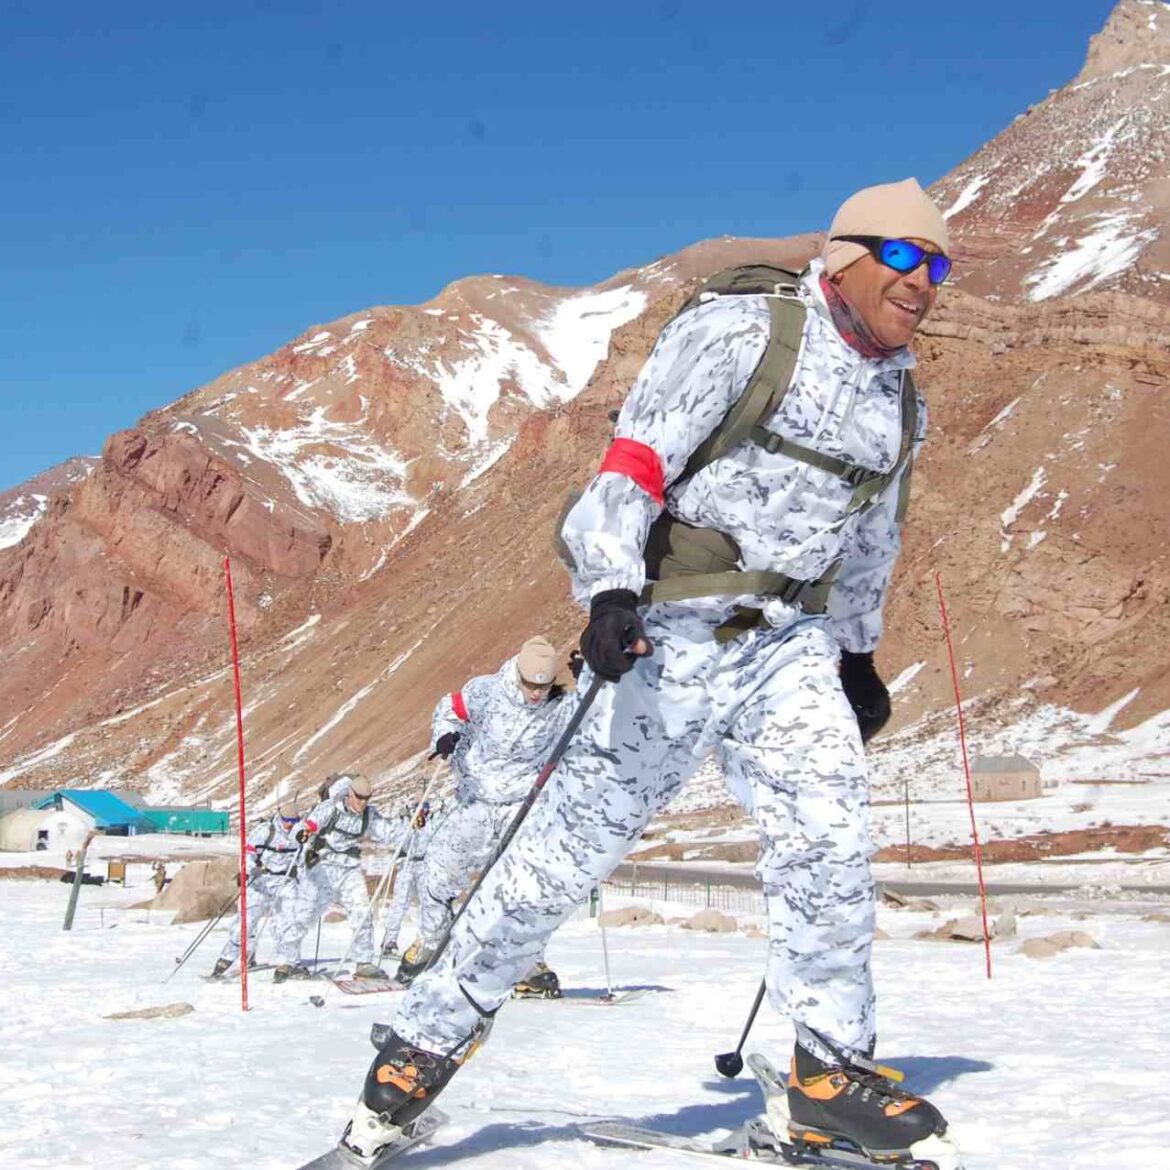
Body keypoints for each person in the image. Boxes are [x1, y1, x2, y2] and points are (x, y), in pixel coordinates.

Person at [332, 179, 962, 1168]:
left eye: (941, 265)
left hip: (790, 646)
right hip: (675, 630)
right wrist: (612, 591)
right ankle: (420, 1048)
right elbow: (636, 462)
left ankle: (828, 1078)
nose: (926, 282)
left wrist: (859, 651)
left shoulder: (898, 394)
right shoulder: (746, 332)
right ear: (847, 255)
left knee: (832, 847)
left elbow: (870, 534)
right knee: (560, 860)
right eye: (909, 258)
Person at [392, 635, 575, 1000]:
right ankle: (431, 944)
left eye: (544, 686)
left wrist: (592, 681)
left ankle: (528, 963)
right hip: (475, 801)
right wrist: (445, 735)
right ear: (518, 675)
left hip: (522, 808)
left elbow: (596, 722)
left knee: (524, 888)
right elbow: (451, 708)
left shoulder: (562, 706)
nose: (536, 694)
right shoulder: (485, 692)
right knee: (439, 876)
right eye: (530, 685)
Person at [271, 774, 406, 982]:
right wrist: (302, 833)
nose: (363, 802)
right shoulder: (331, 809)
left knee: (362, 912)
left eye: (366, 798)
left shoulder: (369, 815)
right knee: (304, 915)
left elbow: (389, 833)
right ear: (350, 794)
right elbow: (306, 826)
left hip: (349, 869)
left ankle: (364, 963)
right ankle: (286, 961)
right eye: (359, 797)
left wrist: (413, 824)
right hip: (322, 868)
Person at [210, 801, 301, 978]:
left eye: (293, 820)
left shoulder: (299, 832)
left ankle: (288, 962)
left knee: (288, 922)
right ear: (279, 817)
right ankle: (227, 958)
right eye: (286, 820)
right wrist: (248, 870)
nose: (289, 825)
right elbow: (248, 854)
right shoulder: (265, 831)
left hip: (285, 881)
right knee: (246, 922)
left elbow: (306, 854)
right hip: (261, 880)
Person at [379, 797, 444, 964]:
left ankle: (423, 941)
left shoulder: (432, 822)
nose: (421, 813)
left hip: (424, 864)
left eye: (424, 810)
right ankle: (389, 941)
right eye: (418, 810)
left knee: (428, 903)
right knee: (399, 904)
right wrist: (410, 828)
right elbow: (398, 840)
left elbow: (438, 837)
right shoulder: (405, 822)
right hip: (407, 864)